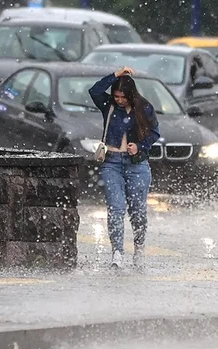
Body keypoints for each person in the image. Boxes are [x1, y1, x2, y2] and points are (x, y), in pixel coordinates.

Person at [89, 66, 160, 270]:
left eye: (122, 96)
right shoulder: (109, 106)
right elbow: (94, 91)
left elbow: (155, 132)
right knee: (116, 209)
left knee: (138, 211)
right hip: (111, 162)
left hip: (137, 164)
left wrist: (140, 145)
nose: (119, 100)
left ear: (130, 94)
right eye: (116, 96)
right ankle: (117, 252)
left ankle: (139, 247)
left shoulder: (144, 108)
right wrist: (116, 75)